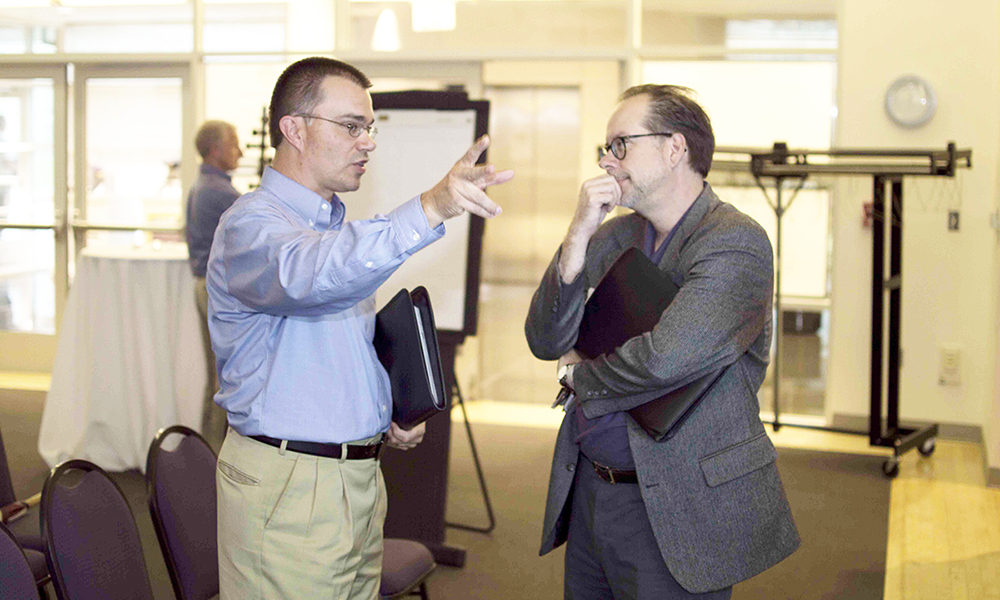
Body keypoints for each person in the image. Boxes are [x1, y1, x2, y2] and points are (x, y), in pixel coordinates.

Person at [207, 57, 512, 600]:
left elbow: (338, 343)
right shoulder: (251, 225)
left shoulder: (332, 226)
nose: (368, 141)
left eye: (370, 128)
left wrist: (386, 408)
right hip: (290, 484)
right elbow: (312, 276)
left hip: (356, 481)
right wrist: (432, 205)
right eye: (351, 126)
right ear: (293, 129)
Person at [525, 84, 799, 599]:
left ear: (675, 149)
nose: (608, 161)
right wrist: (577, 236)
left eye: (621, 144)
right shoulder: (612, 237)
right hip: (590, 490)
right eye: (605, 148)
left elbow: (666, 358)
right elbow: (544, 337)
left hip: (677, 505)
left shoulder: (734, 241)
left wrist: (577, 374)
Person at [185, 120, 243, 446]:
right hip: (217, 292)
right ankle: (218, 453)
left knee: (219, 374)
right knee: (225, 377)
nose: (240, 150)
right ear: (216, 150)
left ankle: (211, 451)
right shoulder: (217, 192)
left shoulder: (203, 186)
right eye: (234, 143)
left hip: (207, 288)